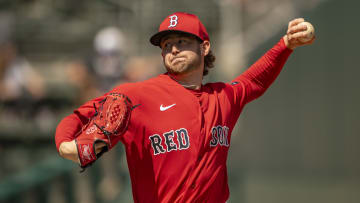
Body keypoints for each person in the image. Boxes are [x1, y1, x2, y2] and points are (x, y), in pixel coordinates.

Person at [55, 12, 315, 203]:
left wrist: (286, 45)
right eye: (167, 45)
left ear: (205, 46)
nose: (174, 49)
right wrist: (65, 144)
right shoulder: (135, 95)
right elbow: (80, 116)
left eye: (183, 41)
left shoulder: (223, 97)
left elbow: (254, 80)